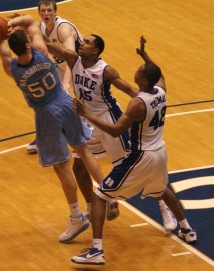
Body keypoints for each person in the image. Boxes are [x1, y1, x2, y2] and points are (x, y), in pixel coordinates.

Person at [70, 36, 197, 265]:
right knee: (161, 189)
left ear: (144, 81)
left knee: (100, 197)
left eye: (139, 72)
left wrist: (85, 114)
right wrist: (144, 55)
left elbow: (116, 130)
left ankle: (97, 251)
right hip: (160, 152)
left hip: (142, 156)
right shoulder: (161, 91)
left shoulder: (138, 103)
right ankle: (187, 229)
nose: (135, 73)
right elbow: (161, 74)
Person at [0, 14, 104, 244]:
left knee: (61, 167)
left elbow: (1, 48)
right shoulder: (41, 51)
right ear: (28, 44)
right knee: (84, 150)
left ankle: (76, 216)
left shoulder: (12, 68)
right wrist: (12, 24)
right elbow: (30, 22)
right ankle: (107, 193)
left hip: (46, 114)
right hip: (65, 102)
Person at [45, 34, 178, 230]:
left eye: (87, 42)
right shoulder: (74, 60)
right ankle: (92, 206)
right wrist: (27, 37)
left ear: (96, 51)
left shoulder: (105, 71)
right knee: (79, 168)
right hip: (86, 120)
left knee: (140, 166)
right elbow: (49, 47)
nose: (82, 43)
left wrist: (151, 103)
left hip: (108, 119)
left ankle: (162, 203)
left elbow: (129, 89)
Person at [27, 0, 83, 153]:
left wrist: (66, 83)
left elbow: (72, 58)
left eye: (49, 10)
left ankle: (85, 135)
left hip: (81, 66)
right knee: (48, 100)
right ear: (39, 13)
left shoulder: (63, 29)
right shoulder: (41, 28)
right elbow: (46, 52)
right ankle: (46, 136)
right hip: (61, 65)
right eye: (43, 10)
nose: (46, 13)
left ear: (55, 11)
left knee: (85, 103)